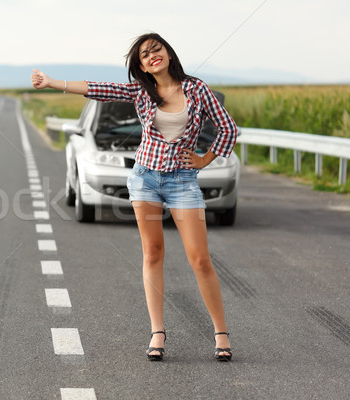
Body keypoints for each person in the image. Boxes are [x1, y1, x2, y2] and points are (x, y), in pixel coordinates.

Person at [31, 32, 236, 362]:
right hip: (145, 180)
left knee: (200, 258)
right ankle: (157, 331)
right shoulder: (142, 92)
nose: (152, 56)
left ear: (169, 54)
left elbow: (228, 128)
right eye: (144, 55)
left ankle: (221, 333)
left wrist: (204, 159)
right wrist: (52, 82)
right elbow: (97, 89)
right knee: (152, 253)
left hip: (183, 181)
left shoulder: (197, 89)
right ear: (140, 66)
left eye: (157, 49)